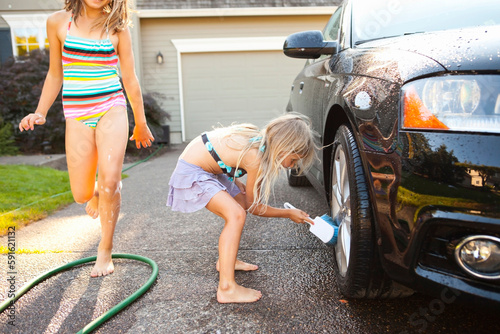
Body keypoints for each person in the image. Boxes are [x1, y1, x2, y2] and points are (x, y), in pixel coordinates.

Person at [19, 0, 154, 277]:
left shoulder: (116, 28)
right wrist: (40, 111)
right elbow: (55, 73)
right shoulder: (58, 22)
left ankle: (105, 250)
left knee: (110, 181)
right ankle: (96, 191)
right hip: (77, 114)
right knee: (81, 193)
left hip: (111, 107)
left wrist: (140, 122)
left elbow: (129, 77)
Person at [167, 113, 317, 303]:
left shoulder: (260, 143)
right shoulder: (255, 157)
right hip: (193, 170)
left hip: (209, 166)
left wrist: (235, 179)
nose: (292, 166)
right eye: (294, 160)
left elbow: (220, 155)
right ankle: (227, 288)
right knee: (236, 214)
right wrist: (288, 213)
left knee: (239, 203)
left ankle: (226, 262)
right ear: (283, 148)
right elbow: (255, 207)